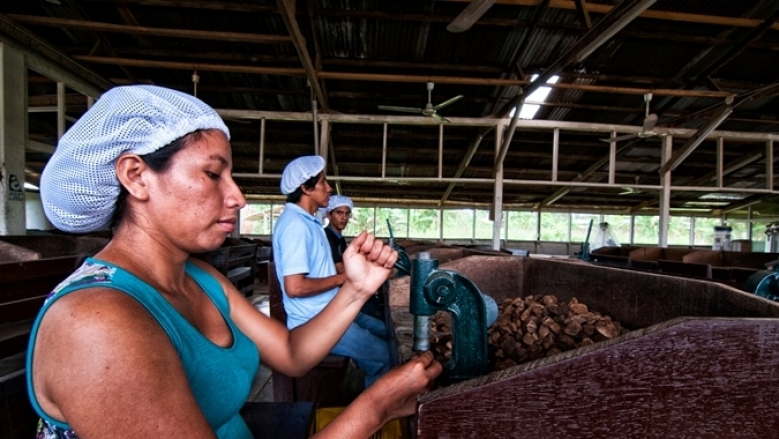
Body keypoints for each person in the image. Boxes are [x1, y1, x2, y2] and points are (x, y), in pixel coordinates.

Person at [27, 85, 441, 438]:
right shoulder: (92, 323)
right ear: (136, 176)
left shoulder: (201, 278)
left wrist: (356, 287)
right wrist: (375, 408)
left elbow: (292, 353)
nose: (238, 197)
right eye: (213, 174)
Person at [272, 157, 392, 388]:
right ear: (306, 188)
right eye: (323, 182)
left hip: (332, 308)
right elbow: (295, 287)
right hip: (314, 322)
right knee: (386, 357)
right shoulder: (295, 225)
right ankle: (373, 416)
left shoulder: (311, 221)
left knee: (391, 333)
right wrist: (345, 278)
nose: (329, 188)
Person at [324, 194, 353, 275]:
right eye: (339, 213)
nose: (344, 218)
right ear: (329, 214)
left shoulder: (340, 238)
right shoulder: (326, 236)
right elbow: (340, 269)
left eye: (347, 214)